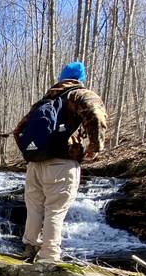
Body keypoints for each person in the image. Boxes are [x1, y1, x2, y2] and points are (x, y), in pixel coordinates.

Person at [13, 61, 107, 262]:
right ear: (80, 79)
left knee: (35, 208)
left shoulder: (44, 102)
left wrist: (29, 153)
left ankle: (29, 248)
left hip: (35, 164)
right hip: (62, 162)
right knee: (55, 209)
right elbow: (96, 114)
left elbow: (18, 130)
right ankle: (49, 257)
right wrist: (95, 146)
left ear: (60, 78)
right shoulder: (79, 95)